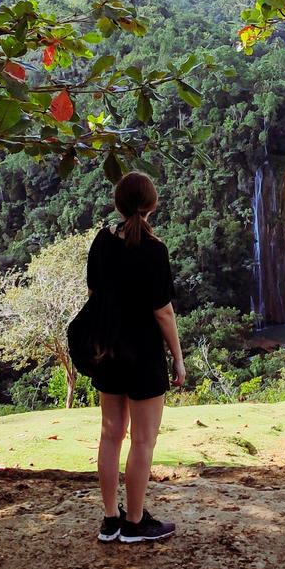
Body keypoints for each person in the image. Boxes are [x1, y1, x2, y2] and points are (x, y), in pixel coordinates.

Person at [87, 171, 186, 544]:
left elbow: (95, 295)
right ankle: (134, 522)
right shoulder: (154, 250)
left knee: (110, 435)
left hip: (109, 351)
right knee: (143, 440)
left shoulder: (101, 242)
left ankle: (110, 520)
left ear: (119, 203)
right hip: (144, 355)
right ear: (151, 204)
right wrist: (177, 358)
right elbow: (164, 312)